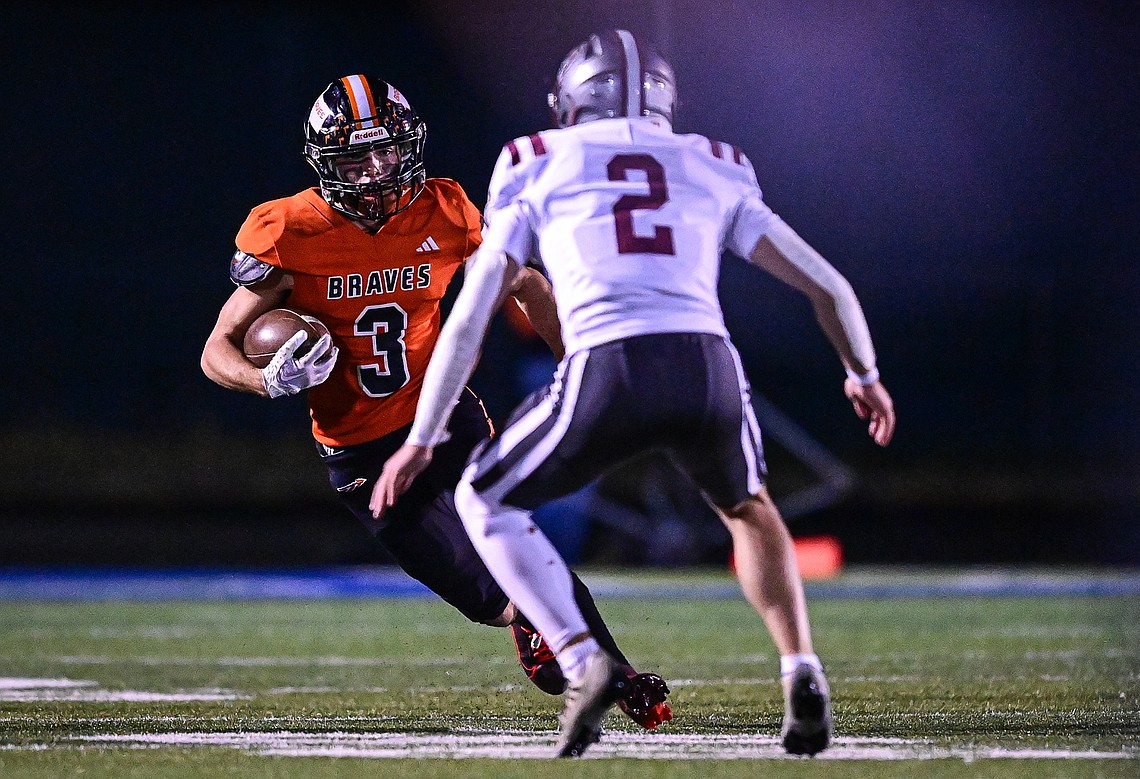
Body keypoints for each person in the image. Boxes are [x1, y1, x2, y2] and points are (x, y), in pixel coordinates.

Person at [370, 30, 896, 759]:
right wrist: (862, 374)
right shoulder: (715, 162)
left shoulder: (533, 160)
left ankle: (583, 656)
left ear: (571, 102)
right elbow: (827, 285)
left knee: (483, 498)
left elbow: (472, 308)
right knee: (750, 508)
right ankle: (801, 667)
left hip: (607, 363)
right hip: (709, 365)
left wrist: (423, 436)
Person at [200, 74, 671, 730]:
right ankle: (533, 624)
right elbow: (217, 347)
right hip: (359, 449)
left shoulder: (444, 210)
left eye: (386, 152)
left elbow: (525, 280)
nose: (375, 171)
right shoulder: (288, 230)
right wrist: (263, 380)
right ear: (324, 162)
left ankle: (616, 673)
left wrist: (582, 360)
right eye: (355, 157)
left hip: (447, 418)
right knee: (488, 596)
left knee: (521, 544)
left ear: (409, 146)